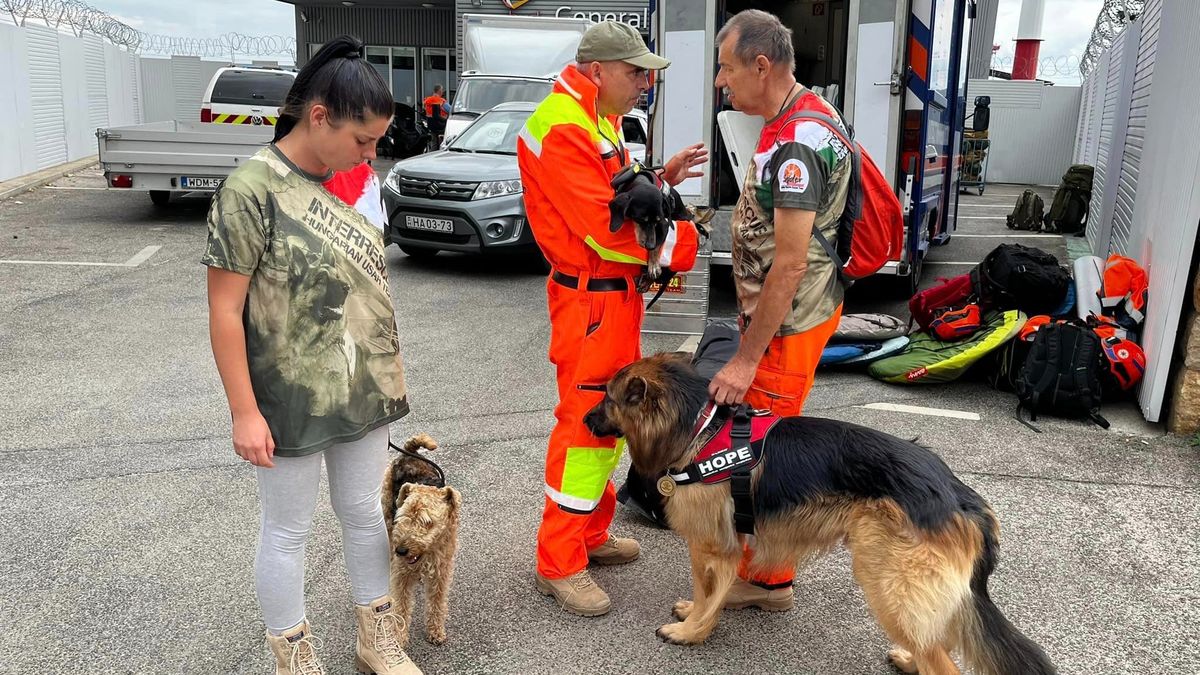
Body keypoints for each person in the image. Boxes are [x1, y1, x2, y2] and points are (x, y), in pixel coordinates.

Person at [204, 35, 421, 675]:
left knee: (362, 514)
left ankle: (375, 637)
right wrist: (244, 411)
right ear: (319, 116)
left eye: (377, 142)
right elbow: (224, 311)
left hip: (361, 387)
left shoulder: (347, 180)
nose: (371, 154)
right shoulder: (251, 190)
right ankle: (293, 658)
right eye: (363, 140)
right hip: (287, 399)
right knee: (287, 531)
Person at [517, 20, 708, 617]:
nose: (646, 82)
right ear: (598, 71)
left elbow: (619, 194)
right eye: (636, 71)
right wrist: (684, 239)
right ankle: (560, 561)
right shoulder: (566, 125)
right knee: (584, 427)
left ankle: (591, 533)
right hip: (592, 299)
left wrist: (660, 180)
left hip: (611, 299)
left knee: (605, 425)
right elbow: (605, 231)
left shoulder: (595, 115)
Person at [707, 9, 850, 611]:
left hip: (786, 327)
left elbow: (789, 265)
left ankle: (768, 581)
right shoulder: (793, 115)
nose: (721, 81)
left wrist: (744, 360)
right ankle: (766, 573)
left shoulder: (797, 139)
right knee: (763, 446)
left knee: (763, 451)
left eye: (727, 68)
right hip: (784, 320)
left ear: (761, 66)